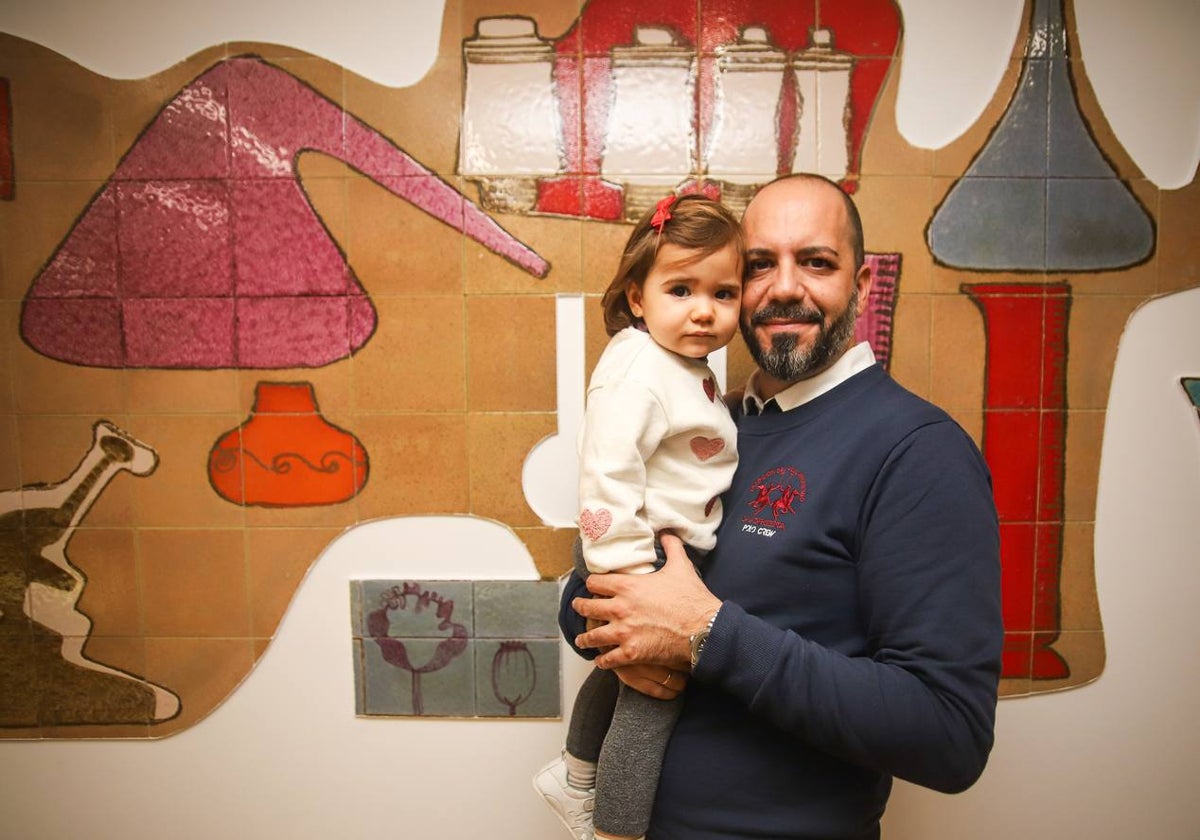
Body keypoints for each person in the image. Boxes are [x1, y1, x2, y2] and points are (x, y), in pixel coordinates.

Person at [560, 174, 1004, 839]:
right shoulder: (712, 430)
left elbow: (949, 735)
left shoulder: (917, 452)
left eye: (817, 262)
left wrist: (710, 635)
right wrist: (602, 606)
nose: (786, 287)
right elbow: (593, 616)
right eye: (760, 265)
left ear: (862, 285)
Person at [534, 194, 745, 840]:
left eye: (724, 292)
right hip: (634, 552)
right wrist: (627, 579)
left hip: (650, 548)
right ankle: (615, 831)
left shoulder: (680, 364)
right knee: (655, 697)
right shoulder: (637, 366)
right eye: (680, 289)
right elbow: (608, 468)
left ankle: (573, 776)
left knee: (626, 678)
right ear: (636, 296)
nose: (704, 310)